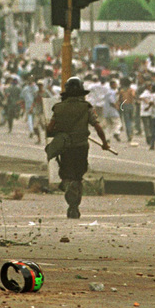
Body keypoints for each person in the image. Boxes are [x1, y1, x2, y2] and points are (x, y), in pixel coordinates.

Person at [46, 77, 110, 219]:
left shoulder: (58, 107)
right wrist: (104, 143)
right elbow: (98, 127)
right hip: (81, 147)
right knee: (78, 176)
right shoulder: (86, 107)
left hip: (66, 147)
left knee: (68, 174)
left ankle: (70, 195)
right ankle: (74, 206)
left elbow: (50, 129)